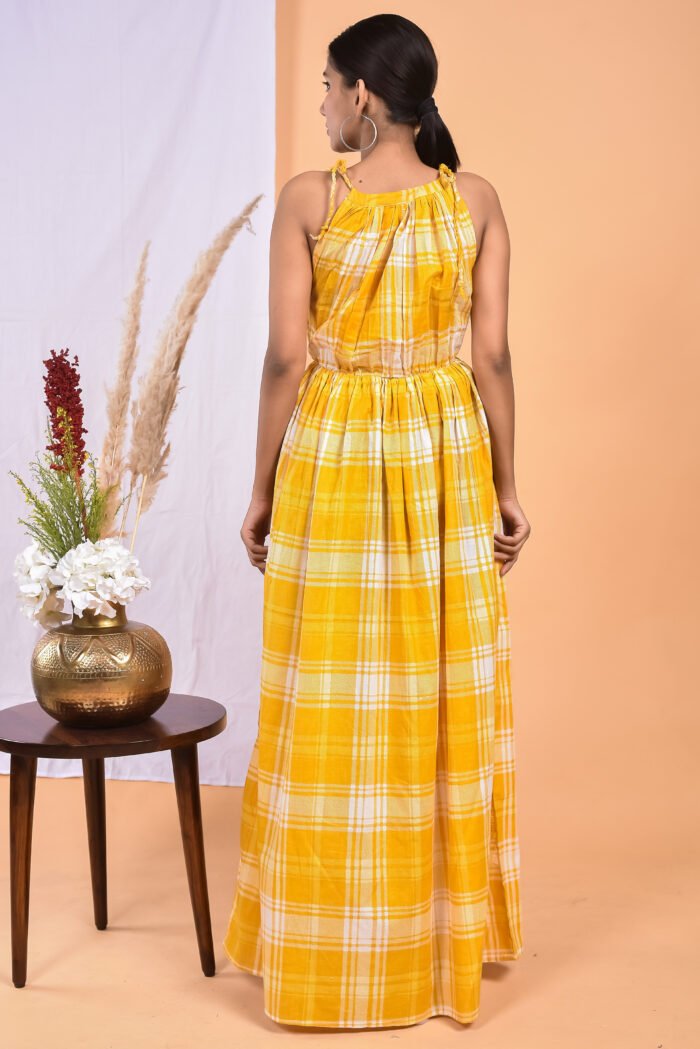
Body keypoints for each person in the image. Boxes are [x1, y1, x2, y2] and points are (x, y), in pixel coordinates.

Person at [223, 12, 531, 1030]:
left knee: (329, 694)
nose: (319, 104)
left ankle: (329, 945)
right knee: (436, 689)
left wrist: (261, 487)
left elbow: (283, 358)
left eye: (324, 87)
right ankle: (435, 949)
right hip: (444, 453)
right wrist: (506, 483)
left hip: (339, 450)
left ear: (362, 91)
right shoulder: (472, 200)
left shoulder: (312, 200)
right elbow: (491, 359)